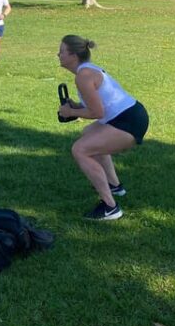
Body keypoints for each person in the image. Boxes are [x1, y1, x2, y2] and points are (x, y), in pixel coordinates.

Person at [57, 35, 149, 221]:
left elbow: (97, 112)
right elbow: (99, 104)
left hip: (128, 121)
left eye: (61, 51)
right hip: (132, 114)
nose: (58, 54)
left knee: (80, 149)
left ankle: (110, 207)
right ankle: (114, 185)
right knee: (88, 134)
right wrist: (75, 106)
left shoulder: (83, 76)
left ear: (73, 56)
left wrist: (69, 112)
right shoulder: (86, 70)